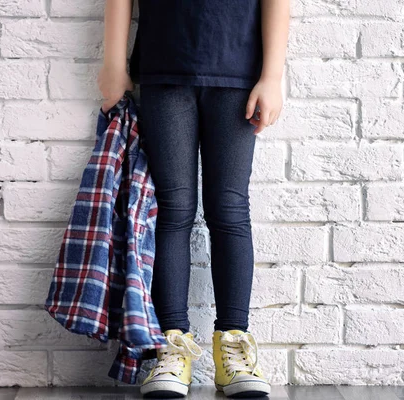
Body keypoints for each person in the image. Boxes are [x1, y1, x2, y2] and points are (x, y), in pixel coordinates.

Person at [97, 0, 289, 397]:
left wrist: (272, 76)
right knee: (173, 209)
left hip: (238, 70)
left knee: (230, 209)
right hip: (163, 68)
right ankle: (172, 345)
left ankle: (233, 347)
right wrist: (114, 64)